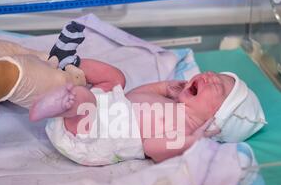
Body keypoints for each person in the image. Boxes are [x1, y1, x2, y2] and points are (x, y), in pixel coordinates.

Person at [29, 70, 266, 165]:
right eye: (218, 76)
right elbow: (134, 95)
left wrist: (192, 141)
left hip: (99, 137)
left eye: (221, 88)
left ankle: (60, 104)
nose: (211, 76)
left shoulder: (184, 131)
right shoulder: (171, 105)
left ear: (216, 120)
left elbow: (152, 146)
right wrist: (162, 87)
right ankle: (73, 67)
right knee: (116, 78)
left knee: (84, 101)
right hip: (109, 106)